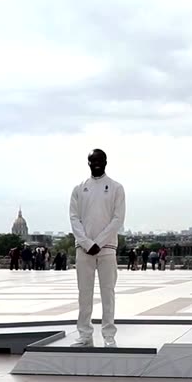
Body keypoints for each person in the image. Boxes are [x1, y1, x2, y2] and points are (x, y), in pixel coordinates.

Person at [69, 149, 125, 348]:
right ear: (88, 163)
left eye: (99, 160)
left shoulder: (116, 188)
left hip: (107, 249)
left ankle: (109, 336)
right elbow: (74, 219)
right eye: (93, 160)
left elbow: (118, 219)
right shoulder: (79, 188)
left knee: (107, 293)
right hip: (84, 251)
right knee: (84, 293)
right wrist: (86, 242)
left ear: (106, 162)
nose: (96, 163)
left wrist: (98, 243)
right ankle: (85, 334)